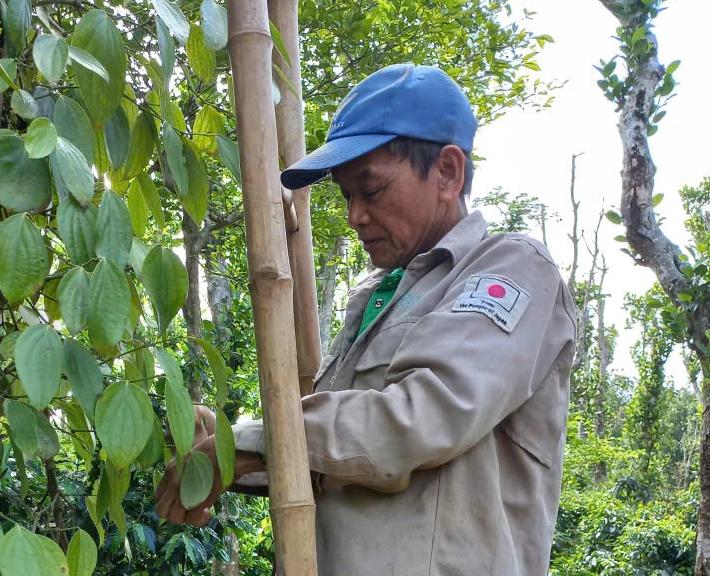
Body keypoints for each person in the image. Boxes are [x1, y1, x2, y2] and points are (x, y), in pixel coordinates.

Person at [153, 63, 576, 575]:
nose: (354, 215)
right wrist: (223, 443)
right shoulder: (377, 295)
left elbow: (417, 422)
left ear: (447, 172)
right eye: (347, 195)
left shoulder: (511, 269)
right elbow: (338, 457)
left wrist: (241, 446)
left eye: (371, 191)